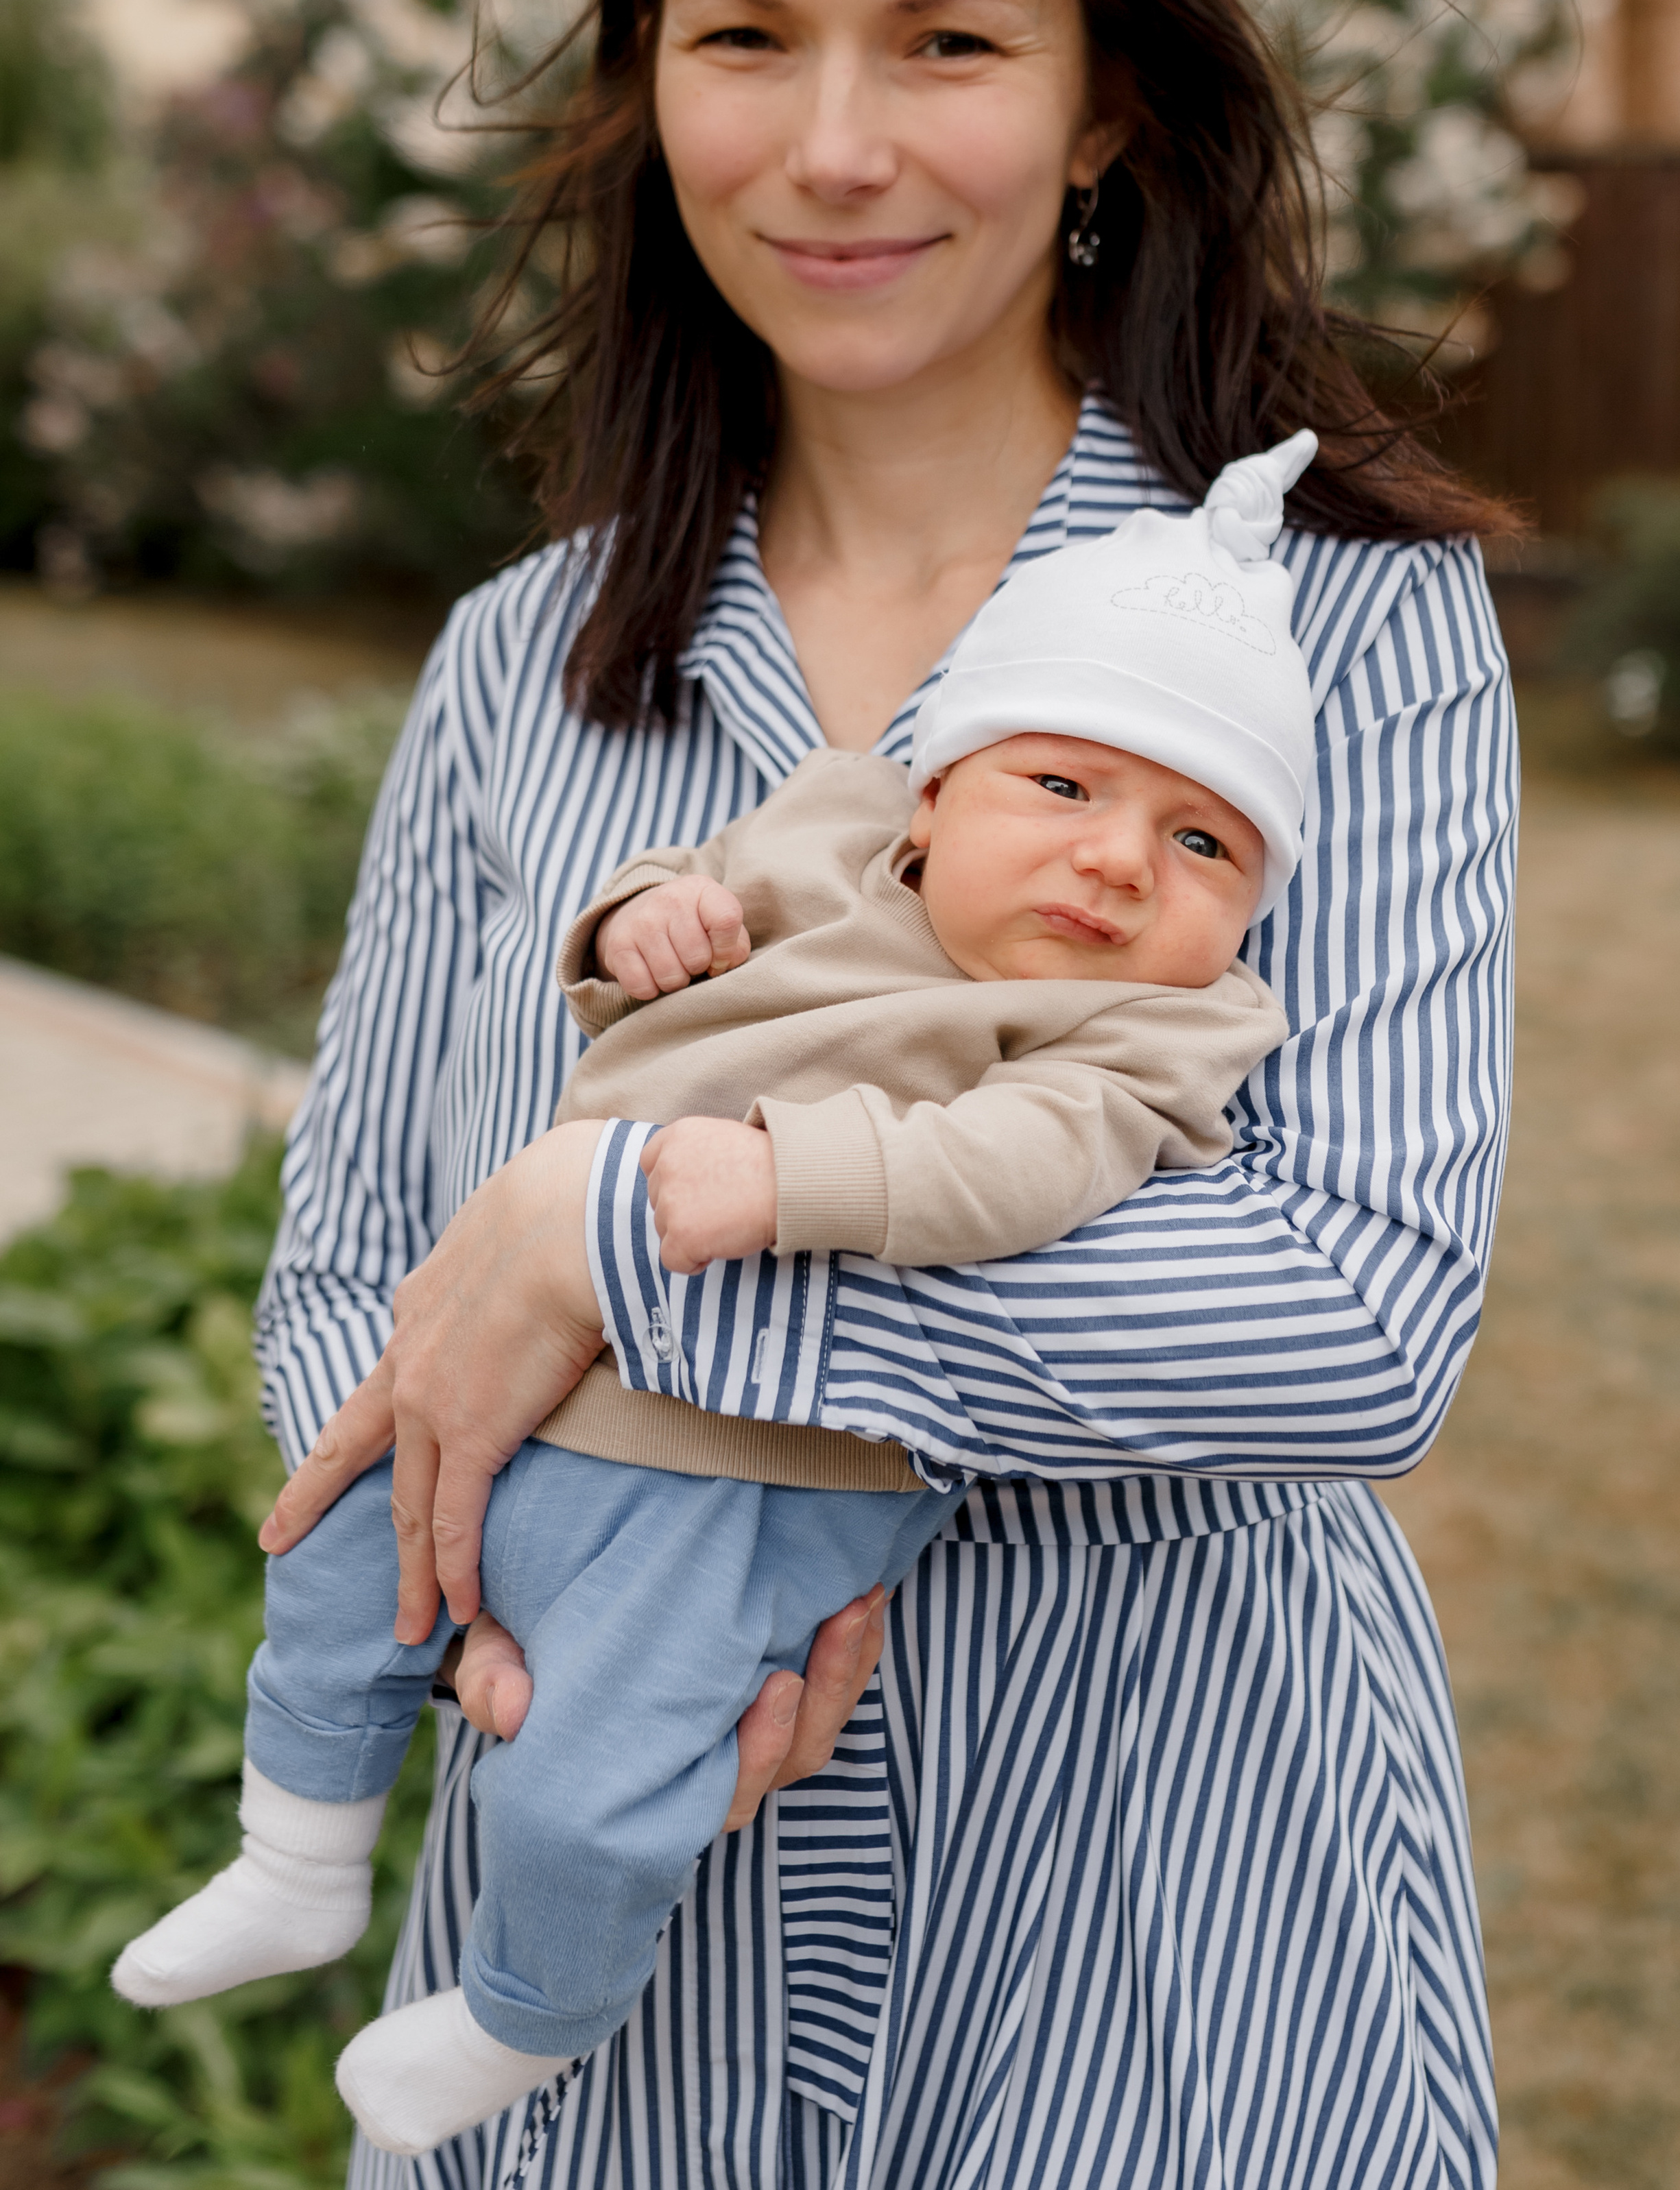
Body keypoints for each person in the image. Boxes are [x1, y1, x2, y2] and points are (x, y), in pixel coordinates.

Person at [241, 0, 1515, 2190]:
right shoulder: (526, 663)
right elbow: (354, 1278)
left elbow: (1358, 1314)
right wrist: (505, 1630)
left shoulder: (1341, 629)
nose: (833, 147)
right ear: (650, 89)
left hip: (1163, 1927)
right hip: (603, 1964)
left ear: (1099, 103)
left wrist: (638, 1247)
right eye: (745, 40)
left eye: (945, 44)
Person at [112, 452, 1309, 2158]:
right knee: (328, 1553)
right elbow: (639, 927)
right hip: (517, 1392)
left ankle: (529, 2012)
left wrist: (768, 1178)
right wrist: (644, 917)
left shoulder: (1148, 1029)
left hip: (752, 1472)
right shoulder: (824, 827)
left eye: (1203, 841)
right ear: (930, 794)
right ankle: (295, 1861)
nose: (1119, 859)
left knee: (603, 1780)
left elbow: (1021, 1171)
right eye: (1060, 781)